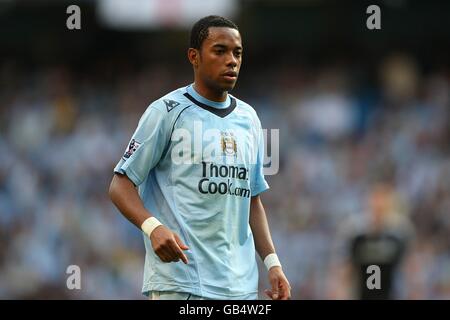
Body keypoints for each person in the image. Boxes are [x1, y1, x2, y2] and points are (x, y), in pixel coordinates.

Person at [109, 15, 291, 300]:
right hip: (182, 283)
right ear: (194, 56)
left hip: (241, 288)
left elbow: (252, 199)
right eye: (220, 51)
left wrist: (272, 263)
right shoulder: (166, 111)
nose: (231, 60)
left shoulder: (250, 119)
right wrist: (152, 227)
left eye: (237, 53)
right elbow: (120, 185)